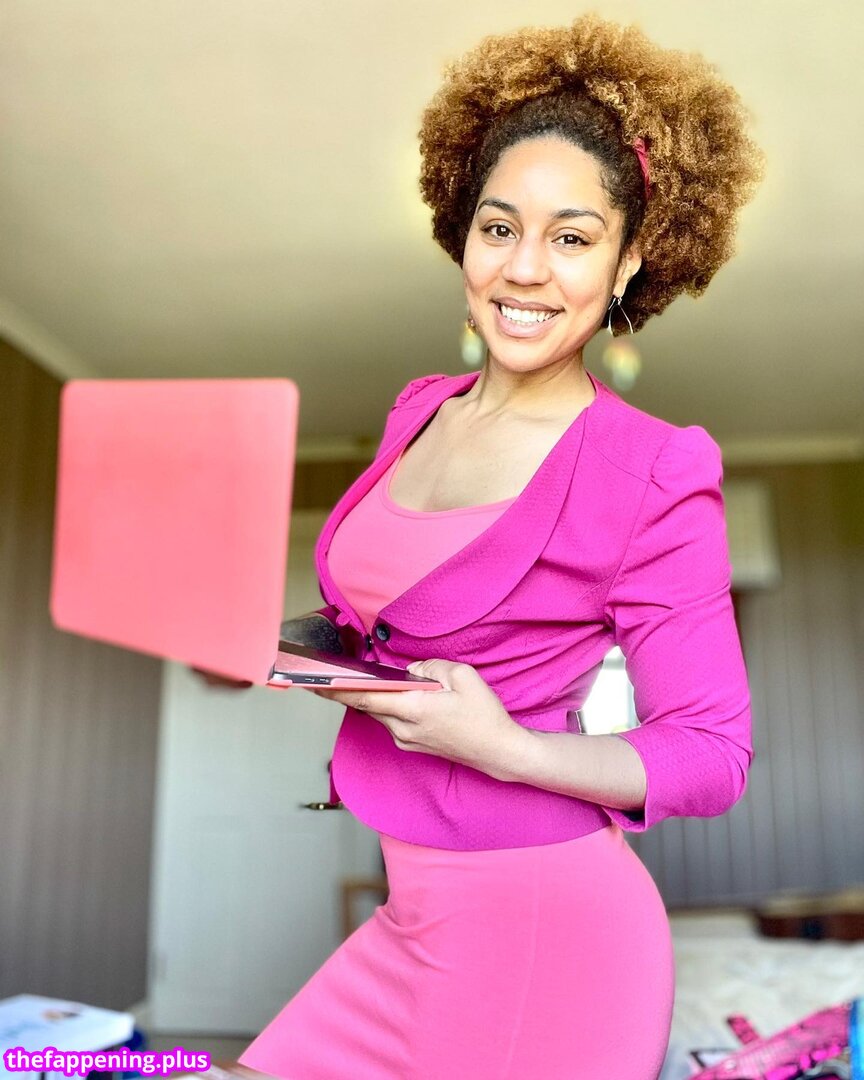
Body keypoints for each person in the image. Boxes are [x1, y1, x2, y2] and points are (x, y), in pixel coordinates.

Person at [232, 14, 764, 1079]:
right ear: (461, 235)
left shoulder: (654, 470)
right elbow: (386, 623)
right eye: (498, 226)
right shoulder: (418, 410)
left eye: (572, 237)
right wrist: (290, 649)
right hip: (414, 911)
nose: (524, 269)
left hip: (545, 931)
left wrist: (502, 746)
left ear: (629, 259)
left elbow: (713, 753)